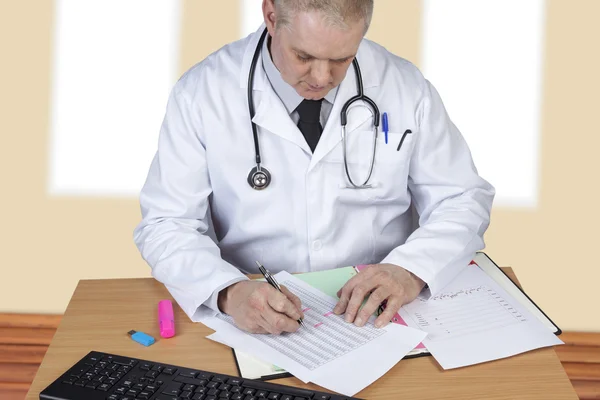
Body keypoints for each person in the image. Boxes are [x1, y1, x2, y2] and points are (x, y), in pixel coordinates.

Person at [133, 0, 495, 336]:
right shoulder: (203, 92)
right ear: (271, 16)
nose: (322, 77)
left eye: (343, 58)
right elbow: (168, 223)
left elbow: (462, 199)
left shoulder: (405, 86)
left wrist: (410, 270)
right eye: (303, 56)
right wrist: (229, 292)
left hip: (378, 313)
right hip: (259, 312)